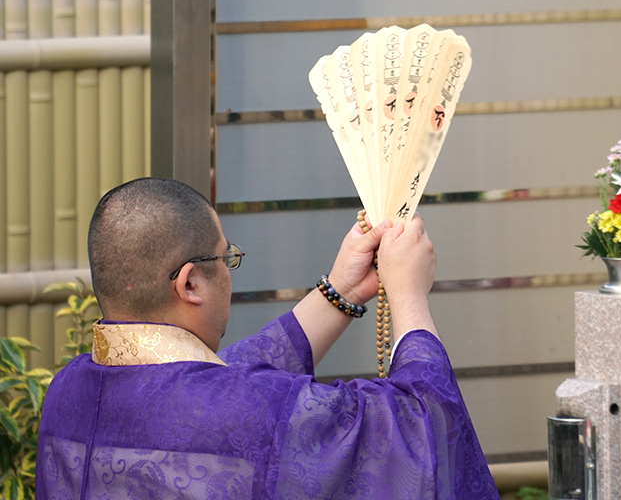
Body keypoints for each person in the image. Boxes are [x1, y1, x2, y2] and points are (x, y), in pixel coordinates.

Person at [37, 177, 499, 499]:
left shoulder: (66, 392)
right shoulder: (253, 411)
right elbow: (422, 426)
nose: (229, 272)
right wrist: (408, 293)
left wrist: (339, 292)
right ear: (190, 283)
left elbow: (217, 379)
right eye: (225, 259)